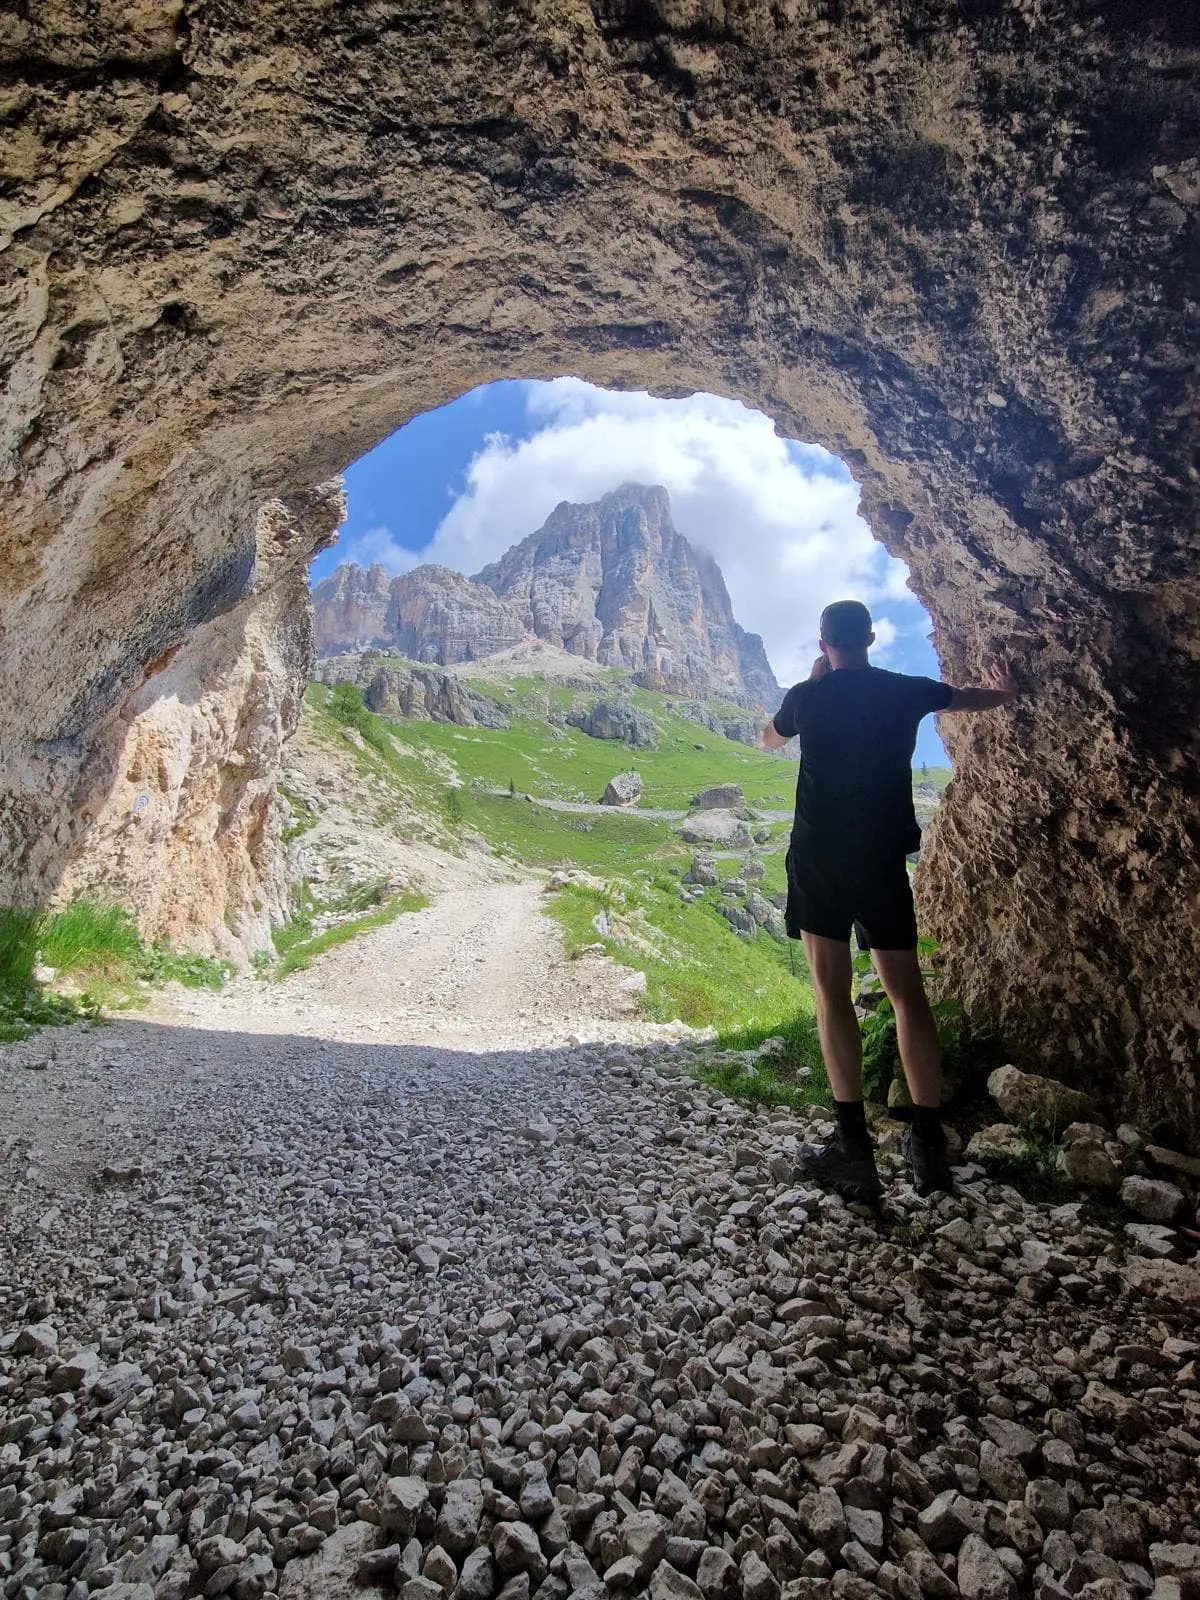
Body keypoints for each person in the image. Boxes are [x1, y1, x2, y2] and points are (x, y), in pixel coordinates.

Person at [761, 599, 1018, 1201]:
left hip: (820, 859)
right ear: (872, 639)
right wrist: (1005, 694)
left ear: (824, 643)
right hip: (881, 859)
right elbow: (963, 696)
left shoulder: (808, 695)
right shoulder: (905, 690)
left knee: (832, 992)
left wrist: (814, 681)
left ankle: (853, 1150)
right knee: (907, 993)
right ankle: (929, 1145)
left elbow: (769, 736)